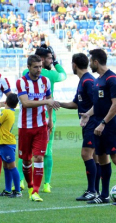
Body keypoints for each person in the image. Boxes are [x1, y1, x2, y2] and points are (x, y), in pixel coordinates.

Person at [79, 49, 116, 206]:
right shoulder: (97, 80)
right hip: (98, 124)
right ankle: (104, 195)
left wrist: (103, 123)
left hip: (110, 124)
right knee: (101, 157)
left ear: (95, 62)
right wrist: (88, 114)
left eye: (90, 60)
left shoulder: (112, 79)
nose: (88, 63)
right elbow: (99, 105)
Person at [19, 45, 67, 193]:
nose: (51, 60)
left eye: (52, 58)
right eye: (50, 58)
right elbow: (64, 75)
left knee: (26, 154)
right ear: (42, 59)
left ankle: (22, 181)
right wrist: (57, 62)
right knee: (47, 150)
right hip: (46, 114)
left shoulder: (25, 72)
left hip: (33, 117)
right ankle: (46, 184)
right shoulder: (50, 76)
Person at [58, 53, 100, 200]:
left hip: (92, 123)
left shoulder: (88, 81)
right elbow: (76, 104)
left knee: (86, 154)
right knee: (94, 156)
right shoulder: (83, 81)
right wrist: (59, 103)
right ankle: (96, 190)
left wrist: (88, 115)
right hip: (88, 123)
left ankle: (92, 190)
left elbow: (98, 103)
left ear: (74, 64)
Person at [16, 54, 57, 202]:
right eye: (36, 67)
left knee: (39, 157)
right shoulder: (21, 82)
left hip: (41, 126)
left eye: (40, 66)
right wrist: (45, 101)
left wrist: (50, 120)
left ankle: (35, 192)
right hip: (25, 127)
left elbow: (50, 101)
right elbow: (26, 103)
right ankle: (30, 186)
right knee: (26, 161)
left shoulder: (45, 81)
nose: (39, 69)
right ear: (28, 67)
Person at [0, 94, 22, 198]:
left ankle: (17, 191)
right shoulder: (10, 111)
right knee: (6, 167)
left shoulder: (6, 112)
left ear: (6, 102)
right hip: (4, 142)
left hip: (7, 142)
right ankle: (8, 190)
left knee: (11, 166)